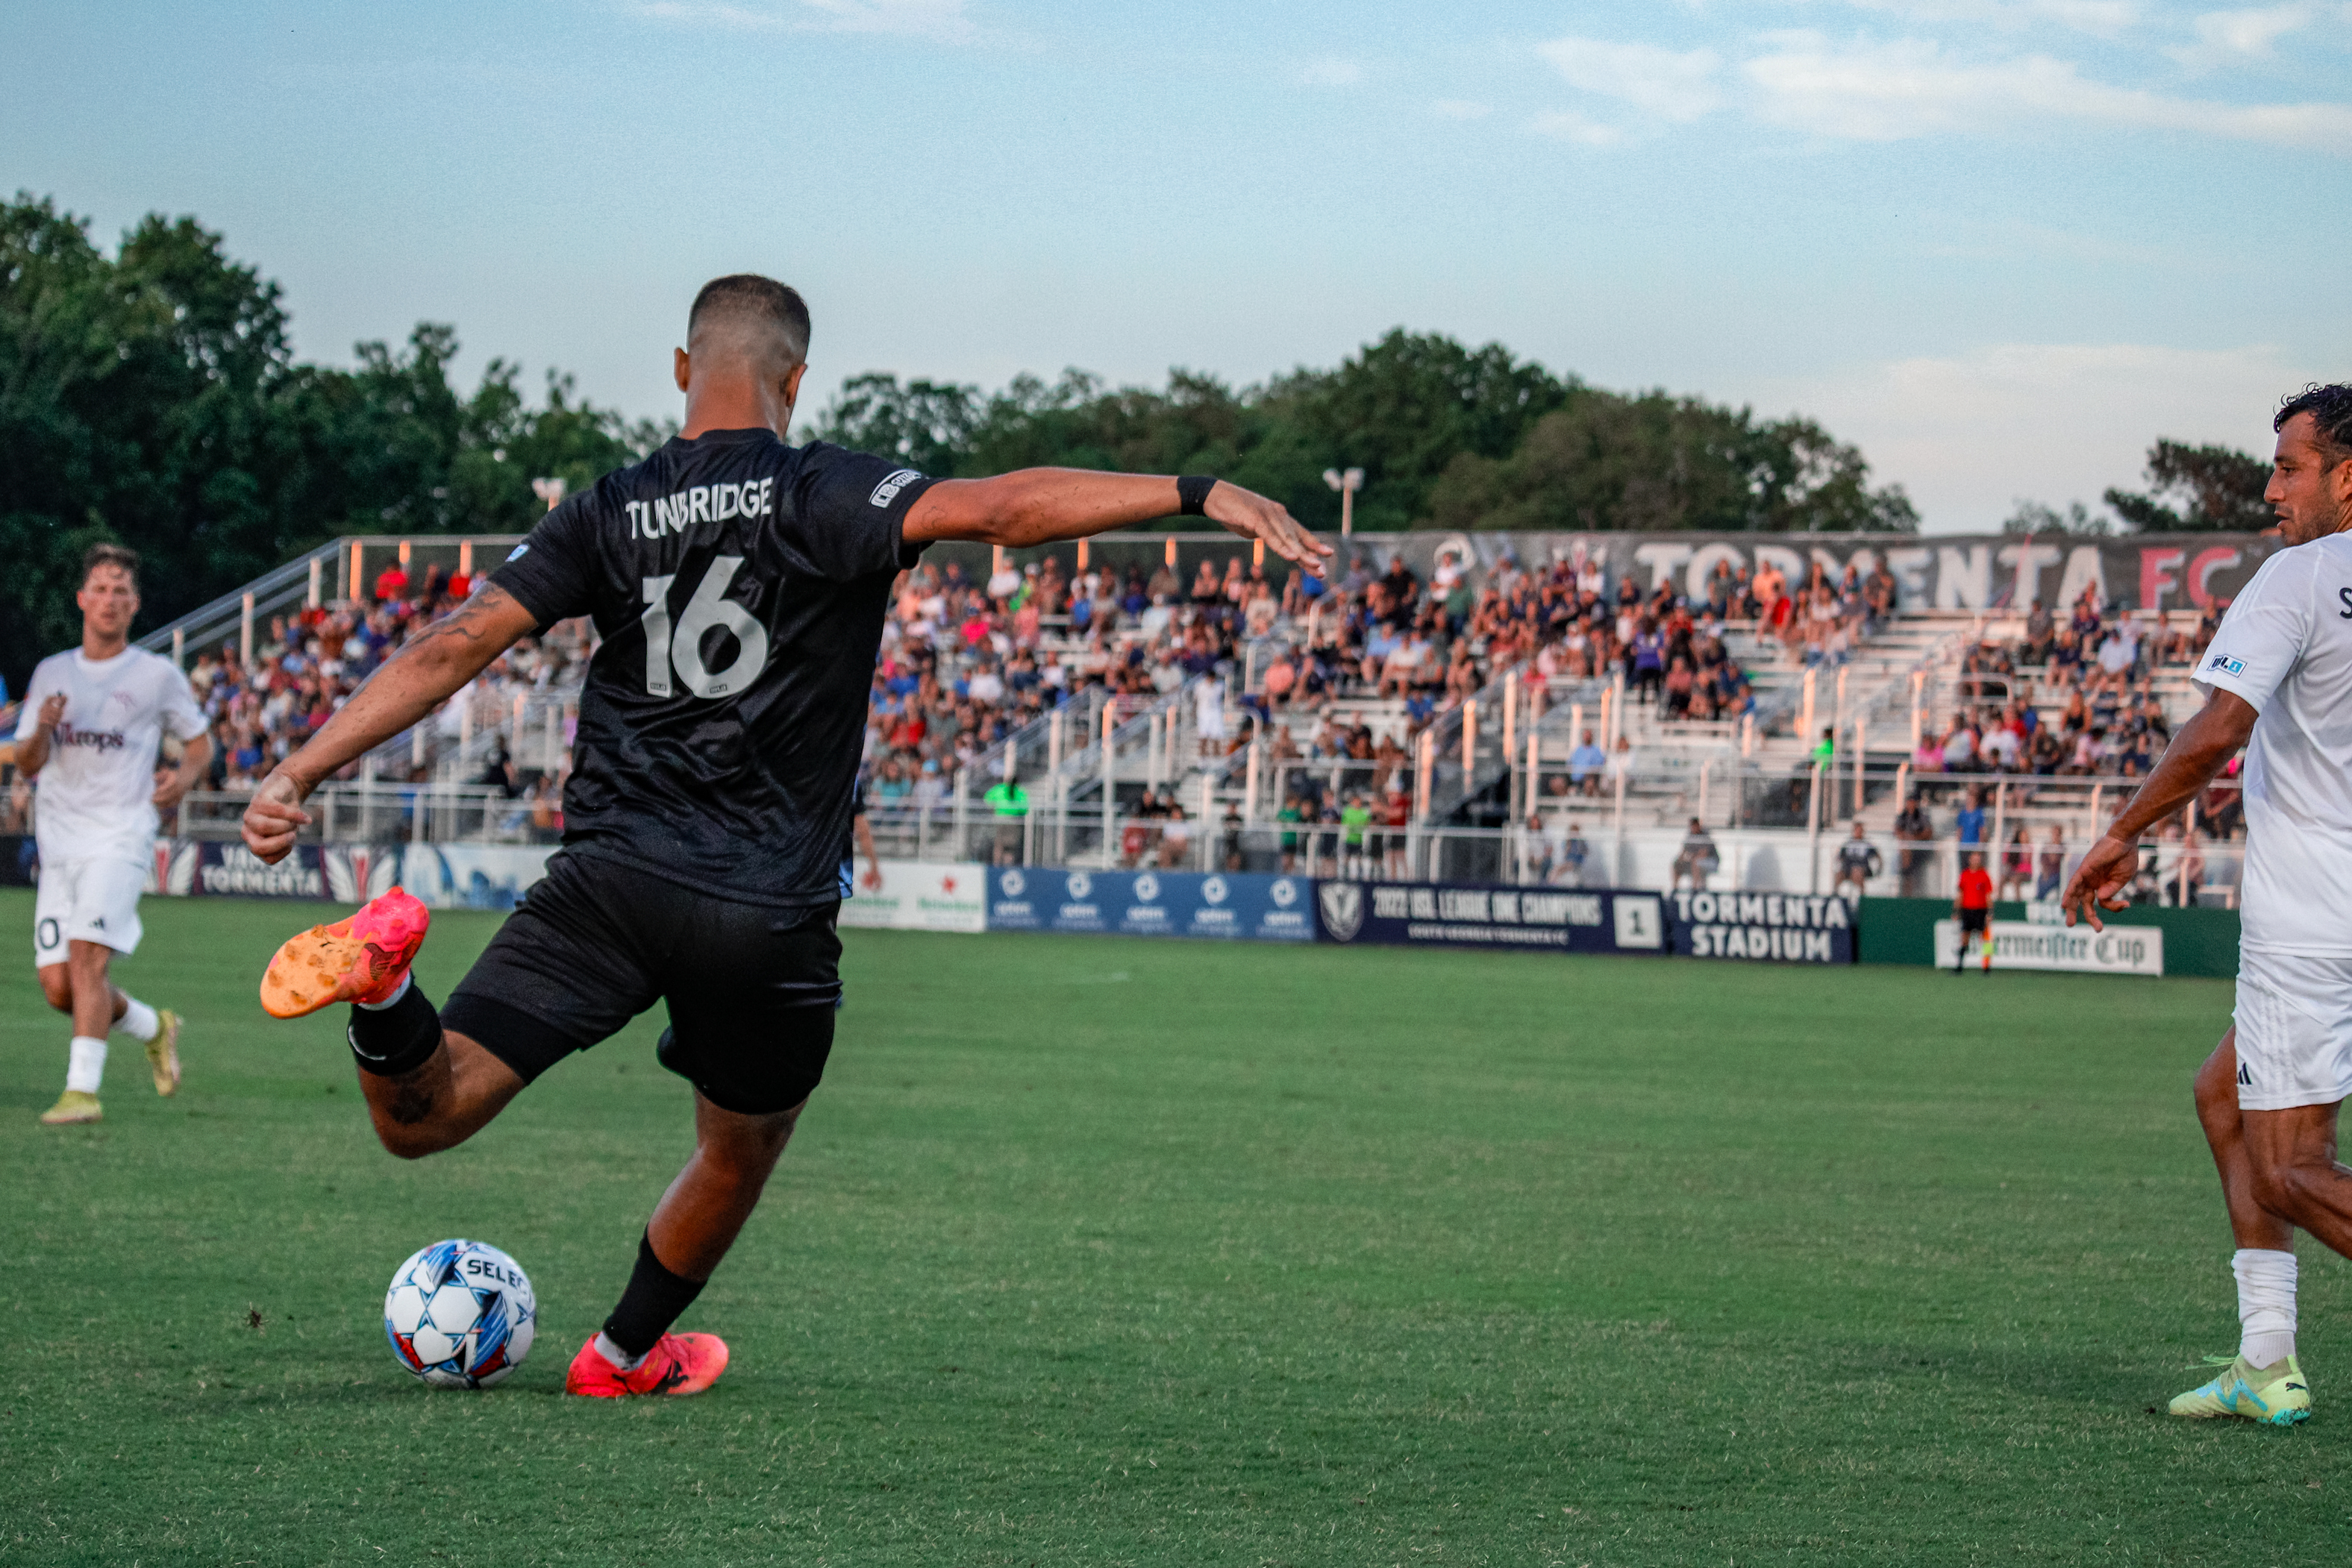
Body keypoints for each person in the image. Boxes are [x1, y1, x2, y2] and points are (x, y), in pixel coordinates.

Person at [239, 274, 1331, 1401]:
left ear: (680, 368)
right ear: (795, 379)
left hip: (609, 878)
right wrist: (1198, 489)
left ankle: (381, 987)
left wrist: (299, 768)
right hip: (764, 912)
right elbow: (1004, 508)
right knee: (737, 1146)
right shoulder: (824, 488)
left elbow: (454, 644)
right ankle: (620, 1356)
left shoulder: (605, 507)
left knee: (429, 1114)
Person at [2064, 384, 2352, 1427]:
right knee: (2223, 1098)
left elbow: (2219, 727)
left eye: (2290, 465)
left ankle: (2269, 1361)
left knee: (2290, 1171)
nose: (2271, 488)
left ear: (2347, 475)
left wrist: (2122, 832)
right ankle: (2267, 1360)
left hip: (2315, 918)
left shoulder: (2300, 577)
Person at [15, 544, 210, 1126]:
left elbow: (200, 744)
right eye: (100, 588)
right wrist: (43, 728)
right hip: (59, 847)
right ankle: (154, 1026)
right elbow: (27, 762)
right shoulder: (52, 672)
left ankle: (82, 1092)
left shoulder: (156, 676)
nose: (109, 599)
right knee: (59, 987)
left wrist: (185, 777)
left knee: (87, 959)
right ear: (82, 598)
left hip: (121, 837)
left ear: (135, 605)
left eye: (120, 590)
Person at [1952, 850, 1993, 973]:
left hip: (1980, 910)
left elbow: (1988, 896)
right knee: (1964, 938)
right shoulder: (1964, 875)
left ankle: (1986, 967)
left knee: (1985, 939)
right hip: (1967, 910)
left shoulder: (1984, 875)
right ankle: (1959, 966)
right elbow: (1960, 894)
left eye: (1978, 859)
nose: (1976, 861)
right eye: (1974, 859)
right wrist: (1956, 911)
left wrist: (1990, 913)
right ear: (1970, 860)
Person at [983, 768, 1028, 866]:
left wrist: (994, 809)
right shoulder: (1019, 791)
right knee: (1010, 848)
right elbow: (1025, 808)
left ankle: (997, 866)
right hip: (1013, 820)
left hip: (1000, 819)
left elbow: (987, 799)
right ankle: (1007, 866)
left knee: (999, 844)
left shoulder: (1000, 789)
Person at [1893, 794, 1934, 897]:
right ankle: (1906, 878)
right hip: (1906, 852)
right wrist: (1904, 836)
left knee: (1914, 875)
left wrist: (1915, 837)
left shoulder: (1921, 816)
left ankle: (1907, 876)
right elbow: (1896, 830)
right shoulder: (1903, 816)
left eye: (1913, 802)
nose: (1910, 804)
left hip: (1919, 851)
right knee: (1905, 851)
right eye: (1909, 802)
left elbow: (1928, 832)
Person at [1835, 821, 1880, 900]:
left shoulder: (1867, 844)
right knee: (1838, 874)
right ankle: (1835, 897)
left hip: (1862, 869)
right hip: (1848, 868)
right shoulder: (1848, 843)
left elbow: (1877, 856)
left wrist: (1878, 870)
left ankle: (1862, 897)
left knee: (1857, 871)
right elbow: (1840, 857)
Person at [1671, 817, 1718, 892]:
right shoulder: (1690, 836)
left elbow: (1704, 854)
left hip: (1711, 862)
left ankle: (1694, 889)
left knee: (1695, 862)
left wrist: (1692, 857)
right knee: (1677, 864)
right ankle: (1675, 889)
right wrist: (1680, 861)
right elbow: (1683, 852)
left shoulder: (1705, 836)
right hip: (1695, 862)